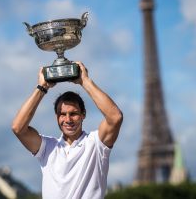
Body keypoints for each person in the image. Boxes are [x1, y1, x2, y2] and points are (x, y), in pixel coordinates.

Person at [11, 61, 123, 199]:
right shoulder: (47, 147)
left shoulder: (96, 144)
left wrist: (85, 81)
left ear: (83, 115)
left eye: (74, 113)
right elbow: (18, 128)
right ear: (56, 117)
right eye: (62, 114)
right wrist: (42, 87)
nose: (68, 119)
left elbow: (115, 117)